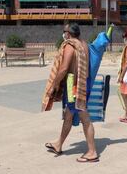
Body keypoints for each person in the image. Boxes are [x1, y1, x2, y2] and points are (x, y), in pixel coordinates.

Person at [44, 23, 99, 162]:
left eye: (64, 31)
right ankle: (58, 144)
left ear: (68, 33)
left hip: (73, 85)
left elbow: (63, 68)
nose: (63, 34)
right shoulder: (84, 44)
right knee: (68, 115)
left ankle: (92, 152)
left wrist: (53, 85)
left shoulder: (70, 45)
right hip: (82, 83)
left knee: (85, 119)